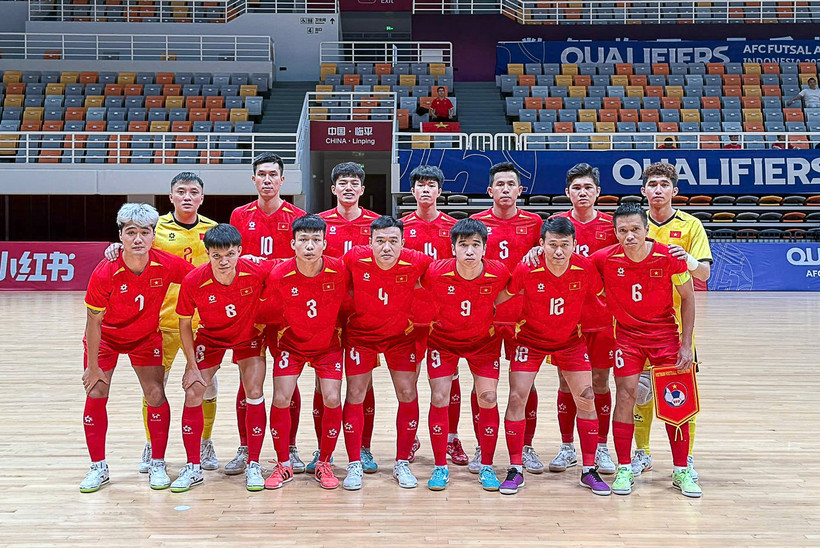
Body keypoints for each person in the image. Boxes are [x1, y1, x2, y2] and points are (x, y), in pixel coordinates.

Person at [104, 173, 221, 474]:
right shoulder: (154, 229)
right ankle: (151, 444)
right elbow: (134, 250)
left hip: (202, 323)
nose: (186, 197)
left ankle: (205, 441)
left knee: (206, 388)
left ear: (201, 198)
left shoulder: (212, 230)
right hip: (162, 321)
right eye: (180, 191)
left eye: (193, 192)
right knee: (154, 389)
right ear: (170, 197)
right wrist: (116, 249)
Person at [80, 203, 193, 493]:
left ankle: (158, 462)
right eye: (131, 232)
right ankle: (98, 467)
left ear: (154, 235)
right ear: (121, 236)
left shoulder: (166, 264)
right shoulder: (106, 271)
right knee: (96, 391)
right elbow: (93, 322)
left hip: (144, 338)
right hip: (106, 339)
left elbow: (197, 278)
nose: (138, 239)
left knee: (156, 393)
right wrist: (93, 367)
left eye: (145, 232)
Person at [590, 202, 701, 498]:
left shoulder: (668, 257)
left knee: (676, 401)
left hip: (665, 335)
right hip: (626, 337)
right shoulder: (603, 259)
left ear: (647, 230)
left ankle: (681, 470)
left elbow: (688, 298)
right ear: (615, 232)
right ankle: (624, 467)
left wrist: (686, 343)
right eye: (622, 230)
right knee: (626, 396)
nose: (629, 236)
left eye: (635, 229)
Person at [496, 217, 610, 496]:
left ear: (574, 245)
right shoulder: (527, 267)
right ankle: (514, 468)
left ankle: (588, 470)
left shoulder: (585, 268)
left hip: (570, 341)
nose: (558, 251)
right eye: (553, 245)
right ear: (542, 244)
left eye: (564, 245)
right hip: (530, 340)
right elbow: (502, 297)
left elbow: (607, 295)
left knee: (586, 396)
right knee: (516, 396)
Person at [172, 223, 275, 492]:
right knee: (194, 390)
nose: (223, 261)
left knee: (254, 390)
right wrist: (192, 367)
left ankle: (253, 463)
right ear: (207, 254)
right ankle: (193, 466)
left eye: (229, 254)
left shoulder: (256, 270)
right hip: (211, 337)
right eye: (216, 256)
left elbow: (290, 264)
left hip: (249, 335)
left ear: (240, 251)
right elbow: (184, 323)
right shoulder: (194, 280)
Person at [632, 162, 712, 482]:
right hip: (638, 325)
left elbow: (703, 274)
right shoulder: (634, 225)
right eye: (652, 185)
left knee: (679, 392)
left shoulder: (690, 225)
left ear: (674, 191)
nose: (658, 190)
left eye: (664, 185)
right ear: (643, 191)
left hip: (675, 326)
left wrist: (687, 258)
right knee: (640, 392)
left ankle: (685, 460)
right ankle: (643, 453)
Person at [341, 216, 433, 490]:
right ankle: (354, 462)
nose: (386, 247)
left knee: (407, 393)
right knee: (355, 393)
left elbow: (445, 272)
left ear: (403, 244)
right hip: (361, 336)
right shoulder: (354, 259)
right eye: (379, 241)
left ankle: (402, 462)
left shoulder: (417, 261)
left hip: (400, 338)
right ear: (369, 243)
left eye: (393, 241)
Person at [230, 152, 306, 476]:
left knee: (288, 383)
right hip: (249, 312)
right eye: (261, 174)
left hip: (287, 314)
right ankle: (246, 446)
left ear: (282, 180)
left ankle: (289, 447)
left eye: (273, 175)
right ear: (253, 179)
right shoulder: (238, 216)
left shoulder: (298, 217)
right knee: (248, 383)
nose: (267, 180)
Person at [420, 218, 510, 492]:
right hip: (443, 341)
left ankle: (486, 465)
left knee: (489, 397)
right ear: (453, 248)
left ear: (485, 248)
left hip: (483, 343)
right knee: (439, 396)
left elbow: (506, 294)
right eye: (463, 245)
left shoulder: (499, 272)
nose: (469, 251)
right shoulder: (435, 272)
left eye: (475, 245)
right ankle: (440, 466)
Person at [262, 214, 349, 490]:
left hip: (328, 346)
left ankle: (324, 462)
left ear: (325, 243)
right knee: (280, 396)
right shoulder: (279, 274)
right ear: (293, 244)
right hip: (291, 345)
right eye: (303, 240)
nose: (309, 246)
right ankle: (283, 464)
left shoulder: (340, 270)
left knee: (332, 398)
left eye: (315, 240)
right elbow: (269, 312)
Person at [470, 162, 543, 475]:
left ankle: (525, 447)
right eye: (499, 184)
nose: (505, 189)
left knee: (524, 384)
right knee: (482, 386)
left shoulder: (535, 222)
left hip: (522, 317)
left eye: (510, 184)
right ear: (490, 190)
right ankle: (480, 445)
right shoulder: (475, 222)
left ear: (519, 190)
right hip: (484, 316)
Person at [549, 164, 618, 475]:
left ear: (598, 192)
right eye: (576, 188)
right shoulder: (555, 226)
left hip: (602, 320)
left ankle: (601, 446)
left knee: (600, 383)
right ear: (568, 192)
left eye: (588, 188)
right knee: (566, 382)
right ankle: (567, 447)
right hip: (565, 321)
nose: (582, 193)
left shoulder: (611, 226)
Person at [315, 162, 380, 474]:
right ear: (333, 189)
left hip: (363, 315)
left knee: (362, 385)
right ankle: (321, 449)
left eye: (355, 182)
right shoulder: (318, 224)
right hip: (326, 313)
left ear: (363, 189)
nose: (349, 187)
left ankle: (363, 447)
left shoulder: (377, 225)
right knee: (323, 385)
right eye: (343, 183)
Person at [401, 165, 467, 466]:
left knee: (449, 382)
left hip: (445, 318)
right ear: (412, 191)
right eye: (420, 185)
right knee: (409, 382)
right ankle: (411, 437)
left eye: (431, 185)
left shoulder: (455, 229)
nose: (425, 190)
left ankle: (452, 438)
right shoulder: (400, 229)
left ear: (440, 191)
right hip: (410, 318)